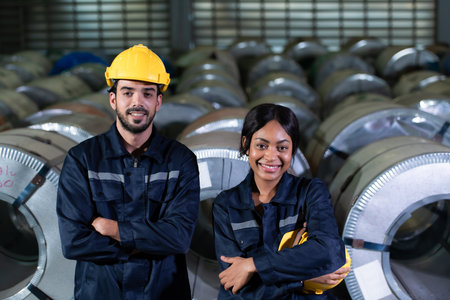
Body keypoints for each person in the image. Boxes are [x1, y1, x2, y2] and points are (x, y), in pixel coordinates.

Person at [56, 44, 200, 300]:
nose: (137, 102)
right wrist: (149, 242)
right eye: (127, 92)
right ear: (113, 99)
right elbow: (74, 241)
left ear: (158, 101)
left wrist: (113, 228)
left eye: (147, 93)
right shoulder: (83, 159)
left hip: (164, 294)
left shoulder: (180, 161)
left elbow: (178, 239)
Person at [213, 103, 350, 299]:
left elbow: (329, 252)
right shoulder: (226, 205)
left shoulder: (311, 192)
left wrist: (252, 265)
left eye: (282, 147)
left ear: (292, 149)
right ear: (246, 144)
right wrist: (303, 280)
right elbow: (234, 282)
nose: (271, 156)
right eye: (261, 145)